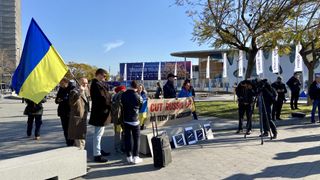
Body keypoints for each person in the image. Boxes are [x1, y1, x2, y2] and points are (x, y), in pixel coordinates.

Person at [89, 68, 112, 163]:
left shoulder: (99, 84)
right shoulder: (95, 85)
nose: (105, 77)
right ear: (98, 75)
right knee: (98, 135)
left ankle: (98, 150)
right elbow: (102, 98)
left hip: (101, 112)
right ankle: (97, 154)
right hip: (99, 113)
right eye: (104, 75)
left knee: (99, 134)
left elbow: (105, 95)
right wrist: (111, 100)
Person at [121, 80, 143, 164]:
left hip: (126, 119)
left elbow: (122, 105)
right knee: (136, 139)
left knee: (127, 139)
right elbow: (140, 107)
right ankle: (136, 157)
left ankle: (128, 156)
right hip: (135, 120)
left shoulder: (124, 94)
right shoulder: (138, 96)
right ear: (137, 87)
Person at [68, 78, 90, 149]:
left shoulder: (85, 91)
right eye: (83, 83)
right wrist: (79, 93)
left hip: (83, 117)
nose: (85, 84)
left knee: (81, 136)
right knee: (79, 139)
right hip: (77, 117)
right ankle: (80, 153)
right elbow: (71, 102)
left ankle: (78, 153)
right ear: (78, 83)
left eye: (86, 83)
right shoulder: (74, 91)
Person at [55, 78, 75, 146]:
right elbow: (56, 100)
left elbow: (72, 100)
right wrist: (59, 100)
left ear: (66, 82)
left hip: (70, 112)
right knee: (65, 128)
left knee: (71, 128)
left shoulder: (72, 88)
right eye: (60, 84)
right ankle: (68, 142)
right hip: (62, 112)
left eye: (61, 83)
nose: (60, 85)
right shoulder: (61, 89)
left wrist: (63, 99)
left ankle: (73, 141)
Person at [111, 85, 126, 153]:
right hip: (120, 118)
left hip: (116, 118)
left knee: (118, 133)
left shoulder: (114, 96)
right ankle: (119, 148)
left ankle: (118, 147)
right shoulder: (121, 95)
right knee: (120, 133)